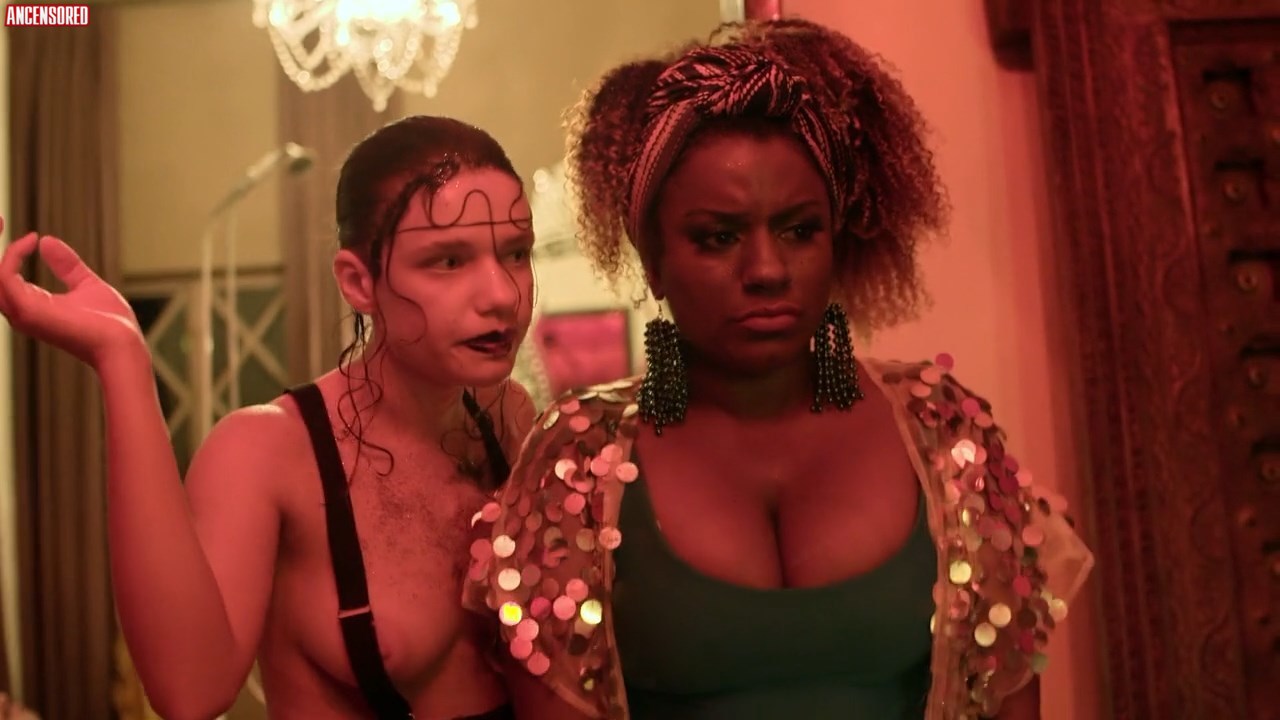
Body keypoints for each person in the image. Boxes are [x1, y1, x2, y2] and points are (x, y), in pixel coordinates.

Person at [463, 19, 1094, 720]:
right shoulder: (575, 466)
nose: (766, 269)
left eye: (799, 230)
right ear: (653, 258)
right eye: (719, 236)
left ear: (836, 238)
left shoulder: (946, 436)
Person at [0, 116, 539, 720]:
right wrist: (120, 357)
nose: (502, 294)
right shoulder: (271, 451)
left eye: (517, 253)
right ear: (359, 282)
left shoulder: (509, 417)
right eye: (448, 261)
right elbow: (190, 693)